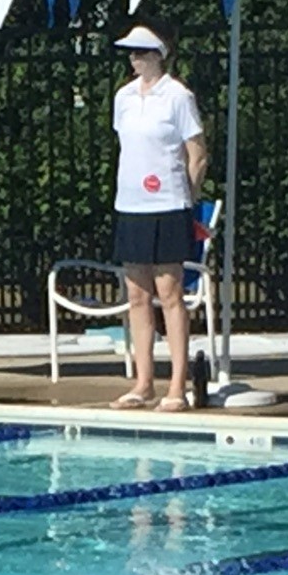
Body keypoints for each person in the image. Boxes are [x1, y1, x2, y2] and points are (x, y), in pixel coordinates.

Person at [105, 24, 207, 415]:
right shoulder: (124, 97)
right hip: (131, 205)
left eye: (140, 52)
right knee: (136, 296)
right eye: (130, 53)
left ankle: (177, 385)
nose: (133, 59)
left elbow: (196, 154)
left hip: (168, 204)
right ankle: (143, 382)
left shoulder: (178, 96)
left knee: (170, 295)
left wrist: (187, 201)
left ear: (157, 55)